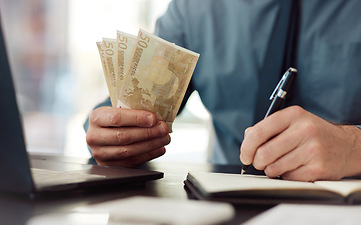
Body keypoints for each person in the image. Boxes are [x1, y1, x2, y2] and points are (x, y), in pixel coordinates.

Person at [85, 0, 361, 182]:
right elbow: (122, 110)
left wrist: (353, 148)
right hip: (225, 199)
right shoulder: (194, 9)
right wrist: (111, 135)